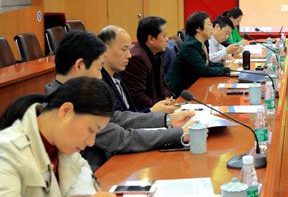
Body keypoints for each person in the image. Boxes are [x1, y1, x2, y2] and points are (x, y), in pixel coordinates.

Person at [45, 31, 195, 170]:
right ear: (80, 65)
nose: (100, 77)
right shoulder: (65, 104)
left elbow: (118, 118)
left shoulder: (75, 95)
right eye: (99, 68)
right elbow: (119, 138)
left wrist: (168, 119)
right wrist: (179, 133)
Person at [0, 77, 117, 197]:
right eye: (91, 130)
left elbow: (83, 167)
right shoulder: (6, 149)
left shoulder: (60, 144)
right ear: (66, 111)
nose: (91, 142)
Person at [98, 25, 176, 114]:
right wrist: (153, 111)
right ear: (104, 50)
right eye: (124, 49)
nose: (129, 55)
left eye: (129, 49)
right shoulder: (100, 84)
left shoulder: (117, 75)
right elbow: (119, 119)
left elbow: (131, 113)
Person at [166, 11, 231, 96]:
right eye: (209, 24)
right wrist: (225, 70)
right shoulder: (190, 46)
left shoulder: (203, 42)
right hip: (178, 93)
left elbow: (207, 63)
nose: (212, 27)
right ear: (198, 28)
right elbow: (203, 70)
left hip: (192, 87)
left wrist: (224, 65)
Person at [121, 16, 174, 110]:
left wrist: (166, 98)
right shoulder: (137, 58)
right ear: (151, 39)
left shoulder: (157, 53)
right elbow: (137, 96)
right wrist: (159, 106)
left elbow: (162, 83)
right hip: (144, 112)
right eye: (164, 36)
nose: (167, 39)